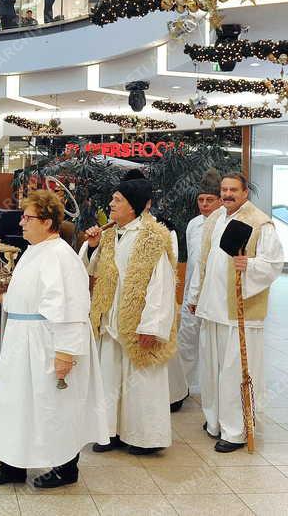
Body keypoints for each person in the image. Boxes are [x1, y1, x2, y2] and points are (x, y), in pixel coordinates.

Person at [0, 189, 109, 489]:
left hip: (46, 342)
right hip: (22, 339)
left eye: (28, 218)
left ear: (48, 222)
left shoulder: (62, 256)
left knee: (54, 406)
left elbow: (72, 307)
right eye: (22, 217)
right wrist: (2, 297)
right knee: (16, 404)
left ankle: (66, 468)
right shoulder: (35, 250)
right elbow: (30, 296)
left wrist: (66, 352)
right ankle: (12, 464)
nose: (21, 223)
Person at [186, 172, 283, 452]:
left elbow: (274, 262)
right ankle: (215, 421)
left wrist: (250, 266)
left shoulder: (259, 223)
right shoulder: (216, 219)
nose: (227, 194)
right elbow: (203, 261)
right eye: (224, 190)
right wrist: (195, 295)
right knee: (212, 371)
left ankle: (236, 431)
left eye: (233, 190)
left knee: (234, 373)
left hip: (239, 314)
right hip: (212, 308)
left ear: (245, 193)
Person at [79, 175, 177, 455]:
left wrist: (151, 326)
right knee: (109, 380)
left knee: (141, 382)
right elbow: (87, 267)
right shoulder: (108, 233)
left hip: (138, 324)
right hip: (110, 321)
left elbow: (161, 286)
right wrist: (94, 245)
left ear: (133, 206)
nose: (111, 203)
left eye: (117, 199)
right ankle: (111, 433)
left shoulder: (153, 237)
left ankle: (146, 438)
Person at [170, 169, 222, 404]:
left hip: (214, 297)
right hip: (191, 295)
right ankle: (182, 389)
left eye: (209, 200)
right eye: (200, 200)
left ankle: (216, 392)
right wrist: (188, 295)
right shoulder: (193, 225)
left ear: (219, 200)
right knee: (186, 342)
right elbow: (192, 264)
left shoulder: (224, 224)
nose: (204, 204)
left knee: (212, 346)